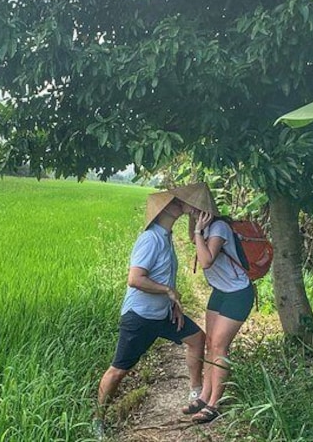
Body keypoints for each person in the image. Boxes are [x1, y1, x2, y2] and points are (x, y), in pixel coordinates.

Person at [94, 184, 208, 439]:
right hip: (140, 317)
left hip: (163, 315)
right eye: (176, 203)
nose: (181, 205)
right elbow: (135, 279)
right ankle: (98, 420)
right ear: (164, 210)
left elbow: (165, 273)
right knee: (119, 370)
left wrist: (174, 305)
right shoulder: (151, 238)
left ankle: (195, 393)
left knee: (197, 339)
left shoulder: (166, 238)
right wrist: (168, 292)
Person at [181, 188, 255, 424]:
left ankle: (214, 404)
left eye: (195, 208)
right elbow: (196, 244)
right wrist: (197, 228)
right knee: (210, 344)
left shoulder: (219, 228)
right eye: (190, 208)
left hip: (238, 293)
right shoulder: (203, 229)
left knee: (220, 346)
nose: (191, 211)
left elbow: (205, 261)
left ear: (206, 209)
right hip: (220, 292)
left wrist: (197, 229)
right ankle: (204, 396)